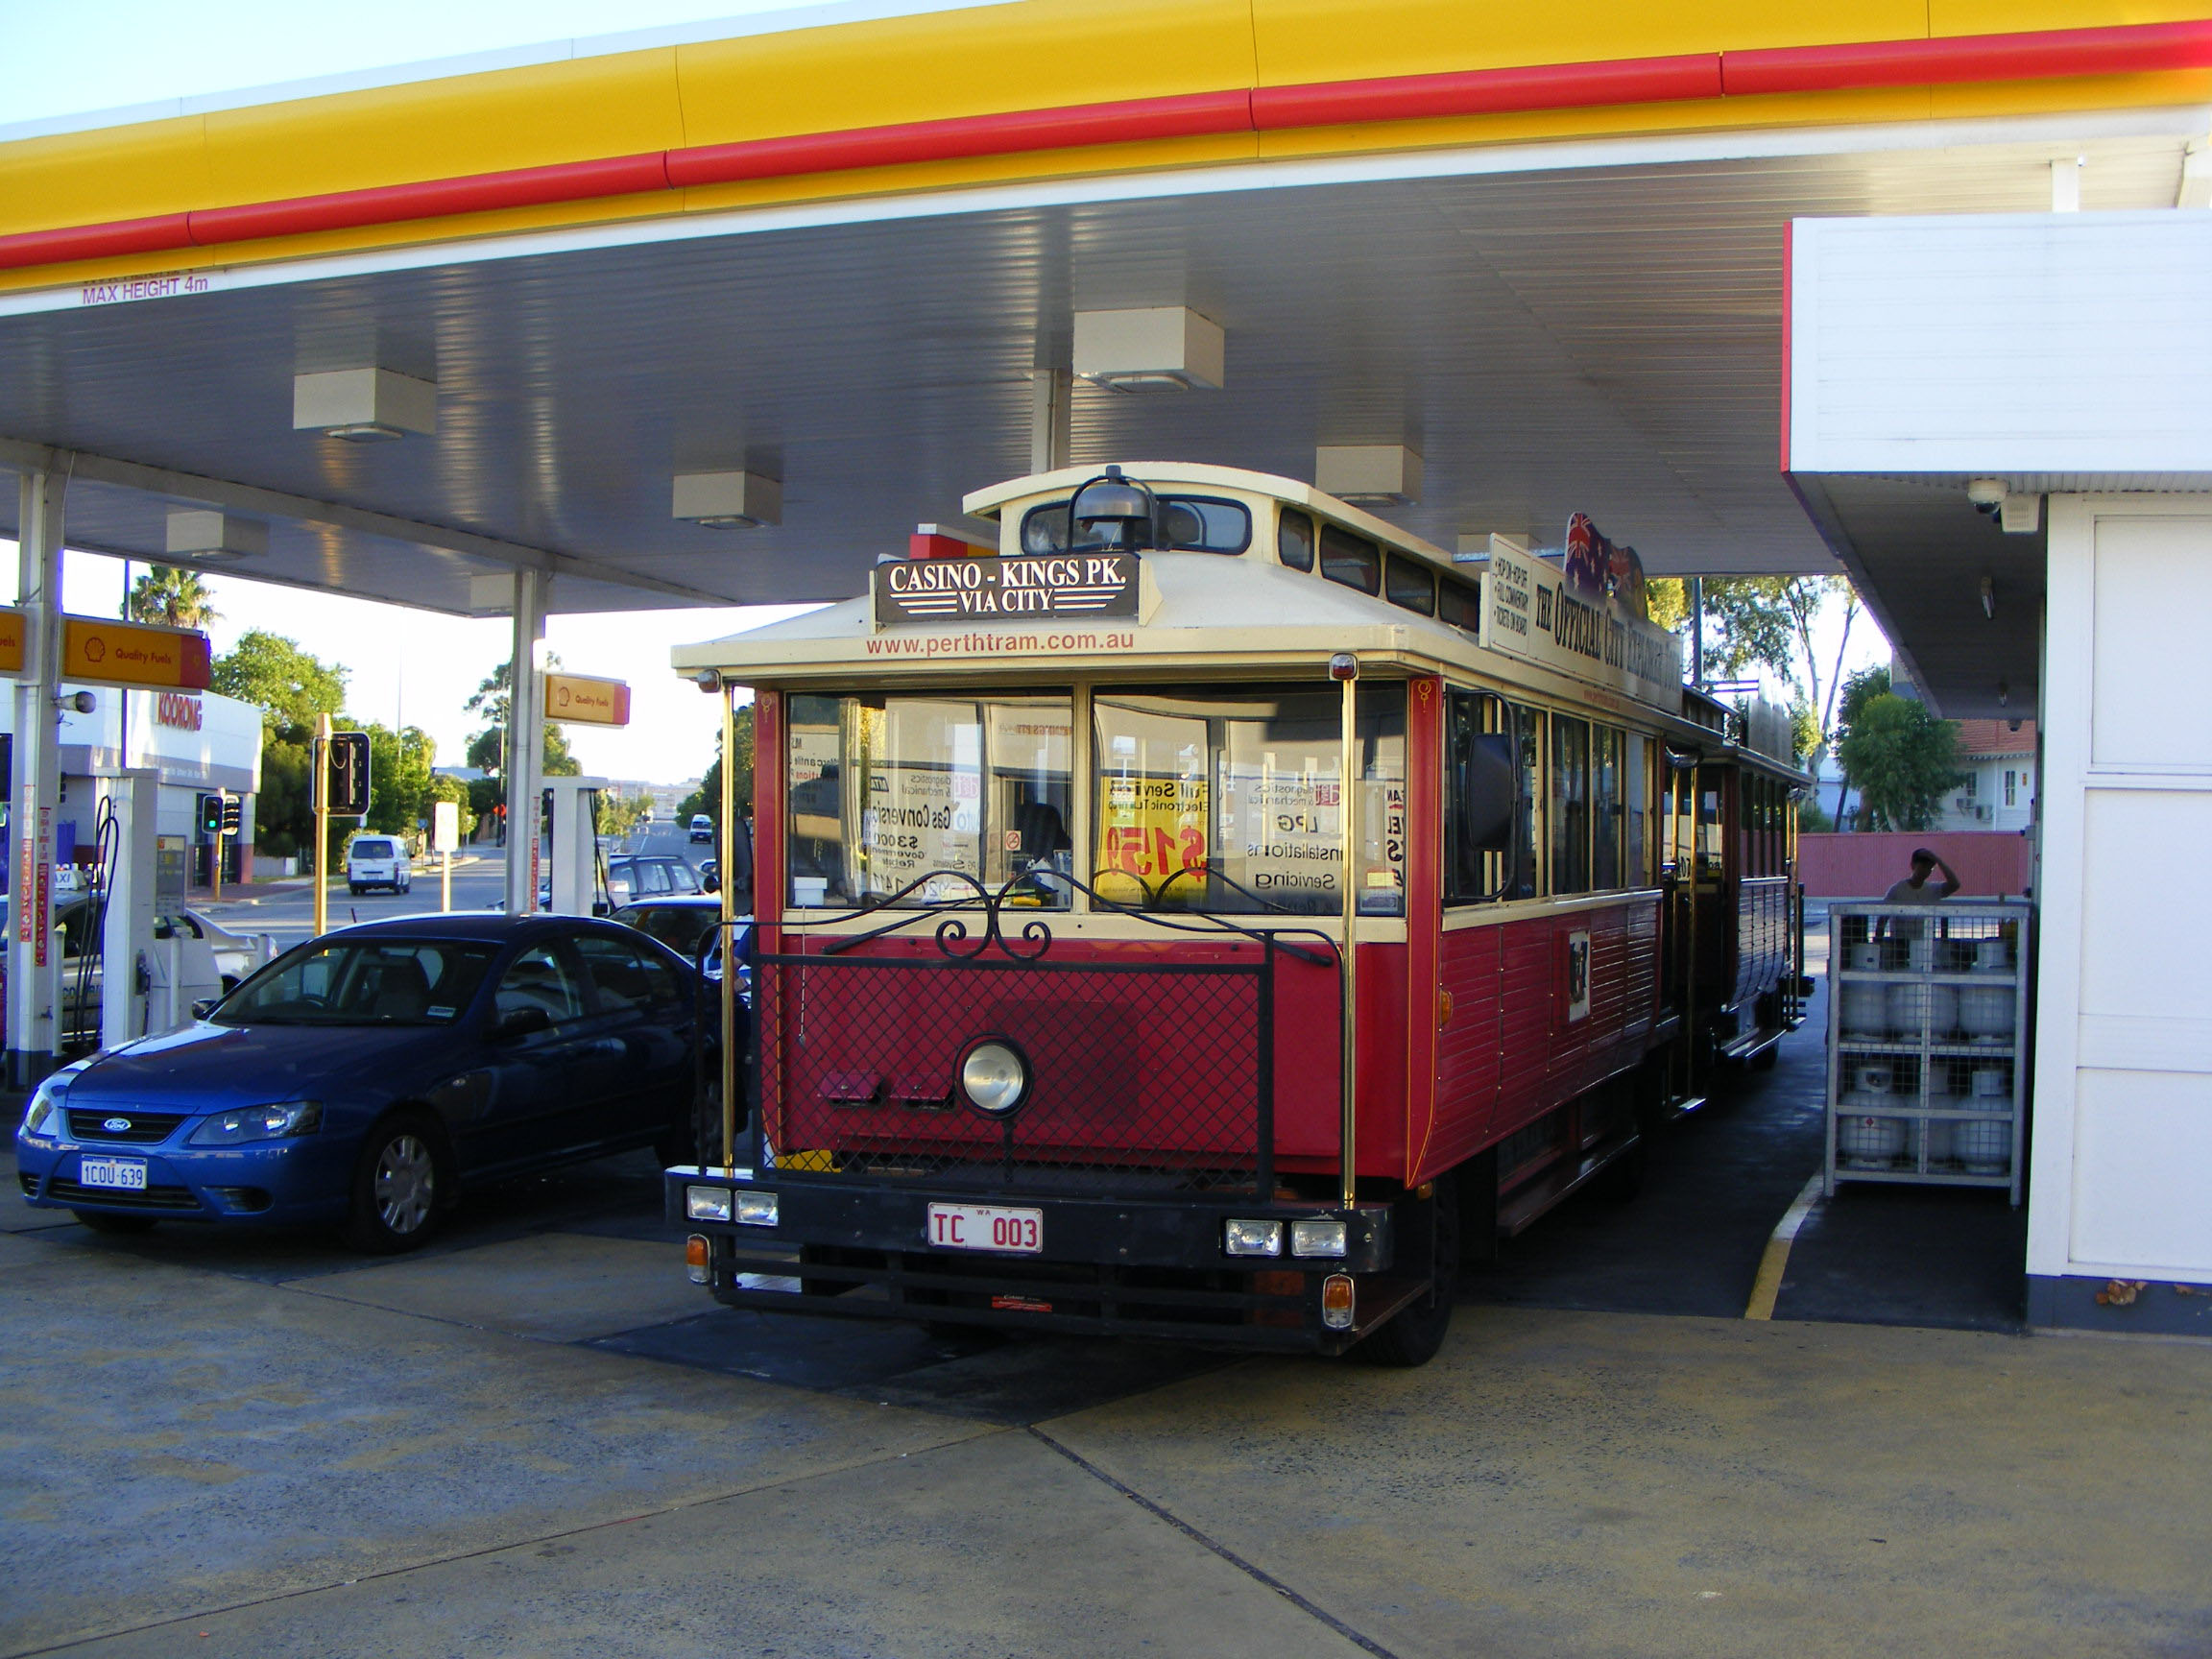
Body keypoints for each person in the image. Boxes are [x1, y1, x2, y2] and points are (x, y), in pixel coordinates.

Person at [1885, 847, 1960, 904]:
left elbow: (1954, 885)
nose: (1926, 870)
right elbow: (1883, 917)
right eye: (1923, 866)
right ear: (1913, 865)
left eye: (1930, 868)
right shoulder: (1896, 890)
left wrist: (1938, 860)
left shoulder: (1932, 889)